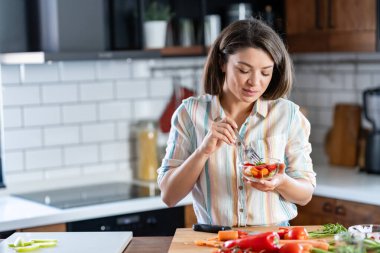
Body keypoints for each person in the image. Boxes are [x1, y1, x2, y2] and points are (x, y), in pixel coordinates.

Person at [157, 17, 316, 227]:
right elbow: (169, 196)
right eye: (243, 70)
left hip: (273, 239)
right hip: (215, 239)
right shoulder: (190, 113)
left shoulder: (288, 115)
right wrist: (203, 151)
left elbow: (305, 195)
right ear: (222, 63)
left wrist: (281, 182)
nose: (255, 82)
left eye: (265, 72)